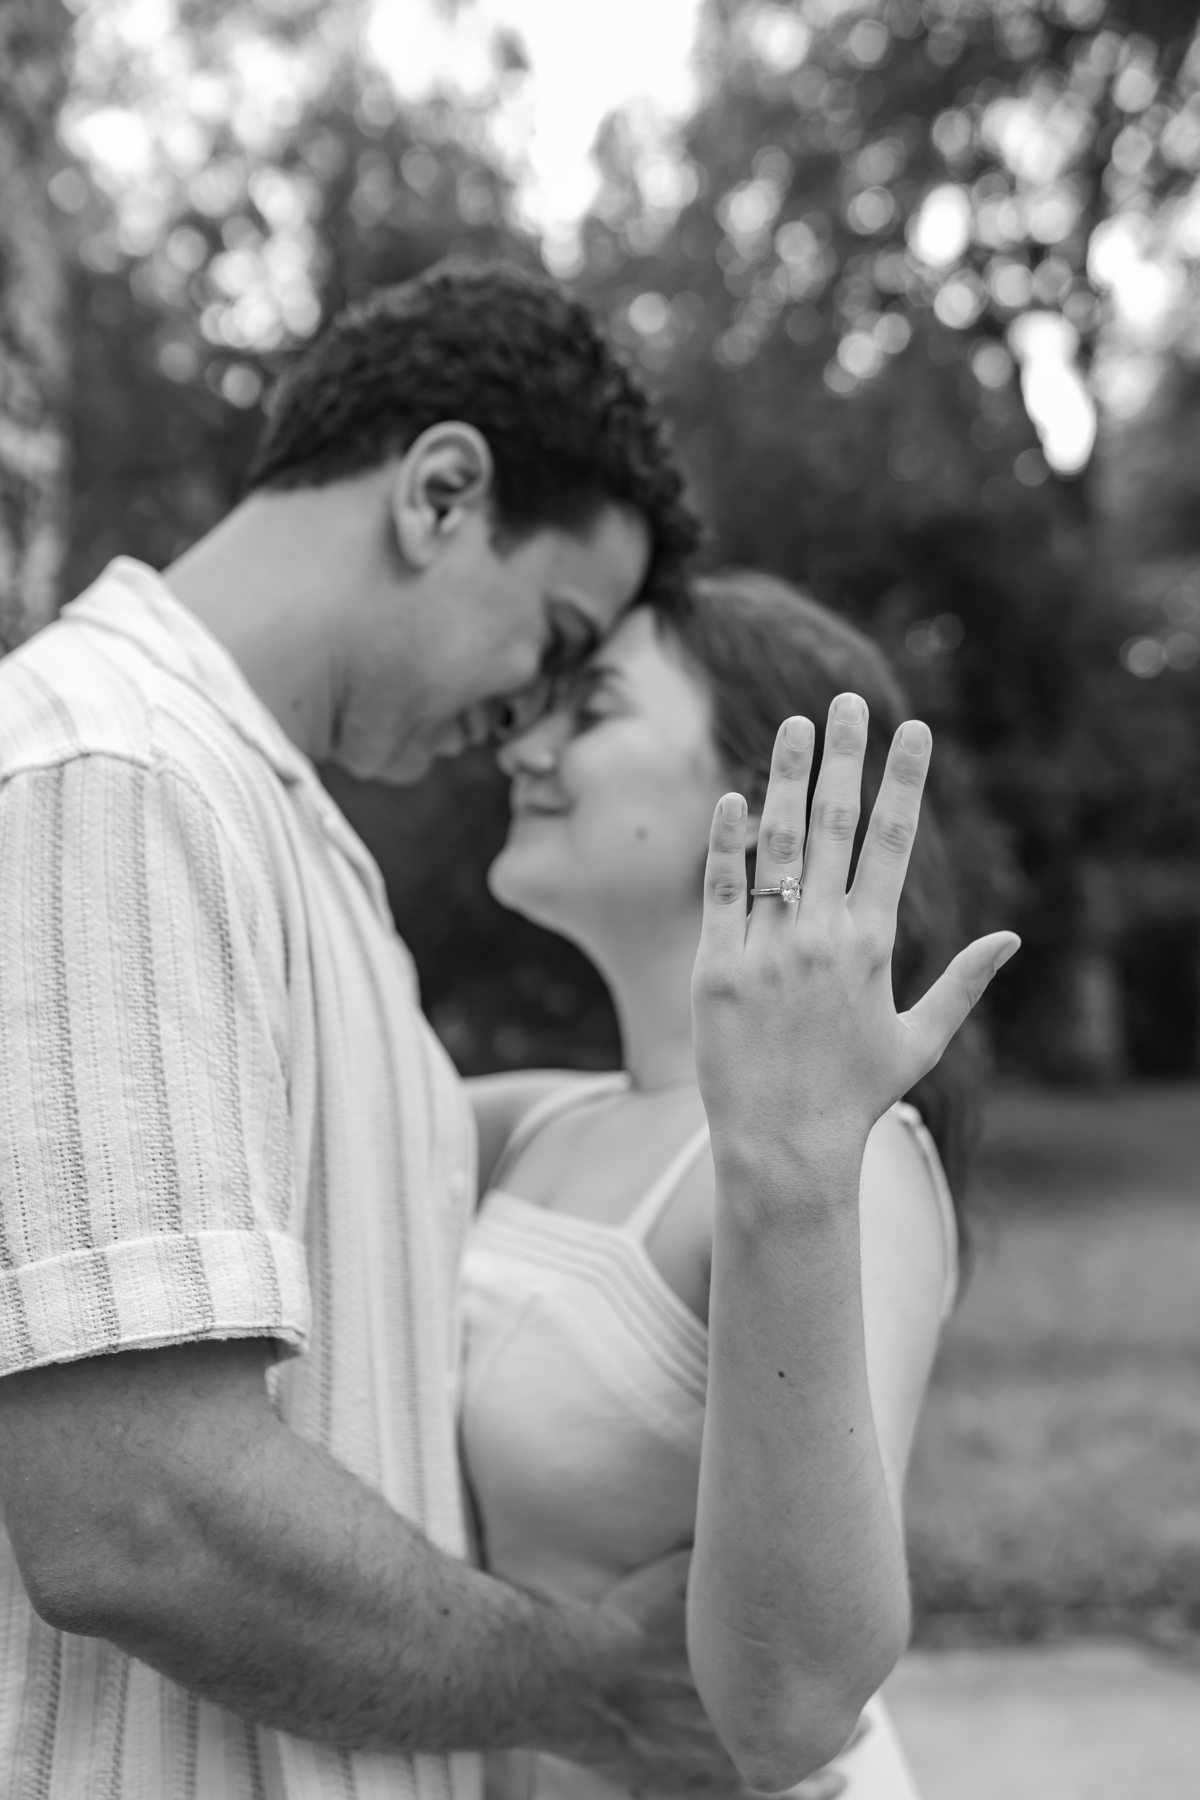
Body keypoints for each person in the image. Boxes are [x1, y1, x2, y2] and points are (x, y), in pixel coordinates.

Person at [0, 261, 729, 1800]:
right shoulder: (109, 777)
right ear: (441, 493)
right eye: (555, 637)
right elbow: (142, 1514)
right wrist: (584, 1681)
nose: (529, 720)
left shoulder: (280, 835)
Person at [463, 571, 1018, 1800]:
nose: (525, 745)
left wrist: (792, 1160)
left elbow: (792, 1714)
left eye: (591, 707)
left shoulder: (845, 1157)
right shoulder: (539, 1123)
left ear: (766, 804)